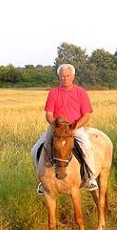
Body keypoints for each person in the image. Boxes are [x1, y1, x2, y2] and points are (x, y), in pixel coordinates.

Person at [31, 64, 98, 195]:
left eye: (67, 76)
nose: (65, 78)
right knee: (35, 149)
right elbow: (49, 114)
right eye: (62, 76)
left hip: (75, 128)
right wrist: (57, 126)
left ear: (73, 77)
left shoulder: (81, 92)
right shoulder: (53, 93)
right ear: (59, 77)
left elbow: (86, 115)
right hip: (57, 128)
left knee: (87, 147)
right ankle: (42, 181)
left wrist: (74, 127)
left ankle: (90, 178)